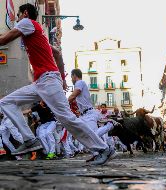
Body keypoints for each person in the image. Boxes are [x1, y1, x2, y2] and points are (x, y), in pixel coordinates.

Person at [0, 3, 112, 165]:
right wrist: (63, 80)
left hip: (48, 80)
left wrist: (58, 80)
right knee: (6, 102)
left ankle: (103, 148)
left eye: (18, 15)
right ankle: (30, 139)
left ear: (24, 13)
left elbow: (4, 39)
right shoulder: (40, 34)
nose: (17, 19)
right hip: (42, 82)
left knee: (67, 118)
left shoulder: (26, 22)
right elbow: (58, 54)